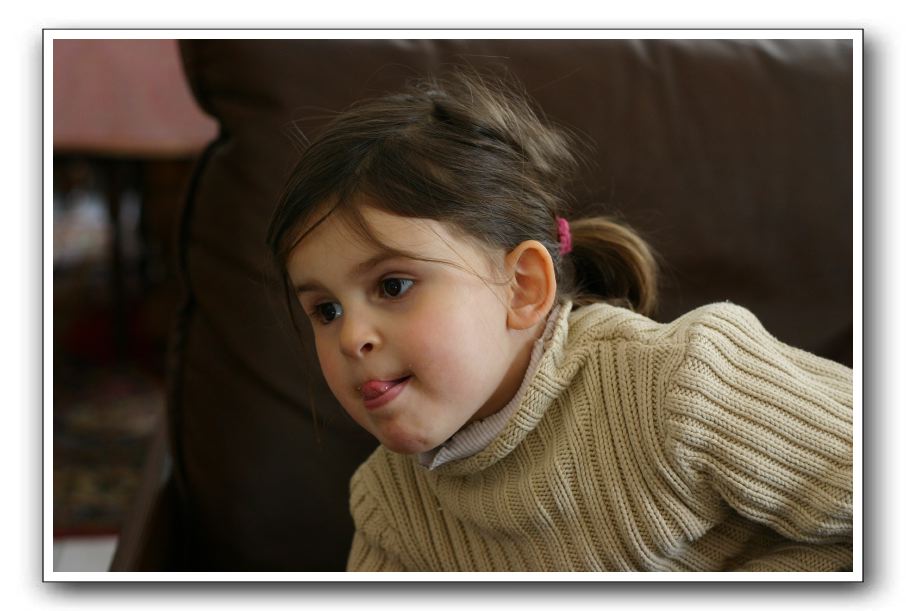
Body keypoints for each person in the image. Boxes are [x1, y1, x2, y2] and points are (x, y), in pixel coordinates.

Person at [266, 70, 853, 571]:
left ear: (523, 287)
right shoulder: (388, 506)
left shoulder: (683, 383)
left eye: (393, 286)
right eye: (326, 310)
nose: (351, 337)